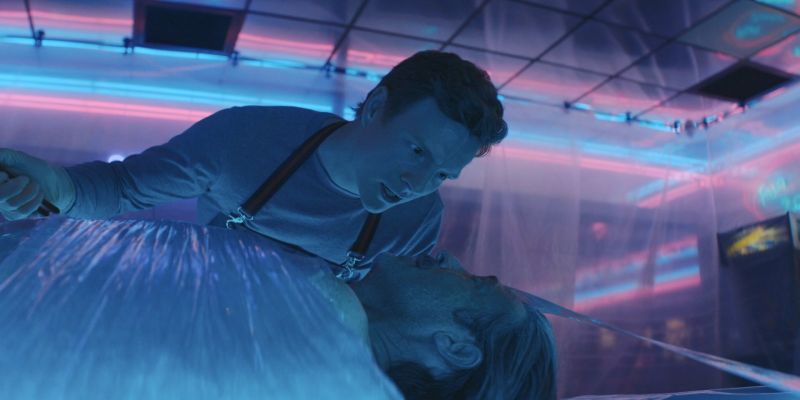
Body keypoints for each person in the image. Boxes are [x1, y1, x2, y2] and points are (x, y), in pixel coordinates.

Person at [0, 50, 508, 281]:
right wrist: (57, 186)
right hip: (203, 304)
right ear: (375, 106)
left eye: (442, 175)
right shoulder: (246, 139)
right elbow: (123, 187)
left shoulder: (420, 218)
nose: (417, 184)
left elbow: (387, 303)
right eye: (416, 152)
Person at [341, 251, 558, 400]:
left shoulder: (326, 378)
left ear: (457, 349)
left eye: (474, 282)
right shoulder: (335, 333)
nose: (448, 257)